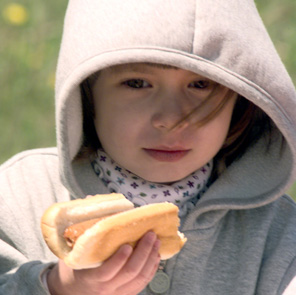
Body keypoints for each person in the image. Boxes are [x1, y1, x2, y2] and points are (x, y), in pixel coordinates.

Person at [1, 0, 296, 294]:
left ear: (242, 99)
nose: (172, 119)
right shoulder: (18, 197)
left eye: (201, 85)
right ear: (86, 94)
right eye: (137, 83)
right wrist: (56, 287)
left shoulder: (280, 234)